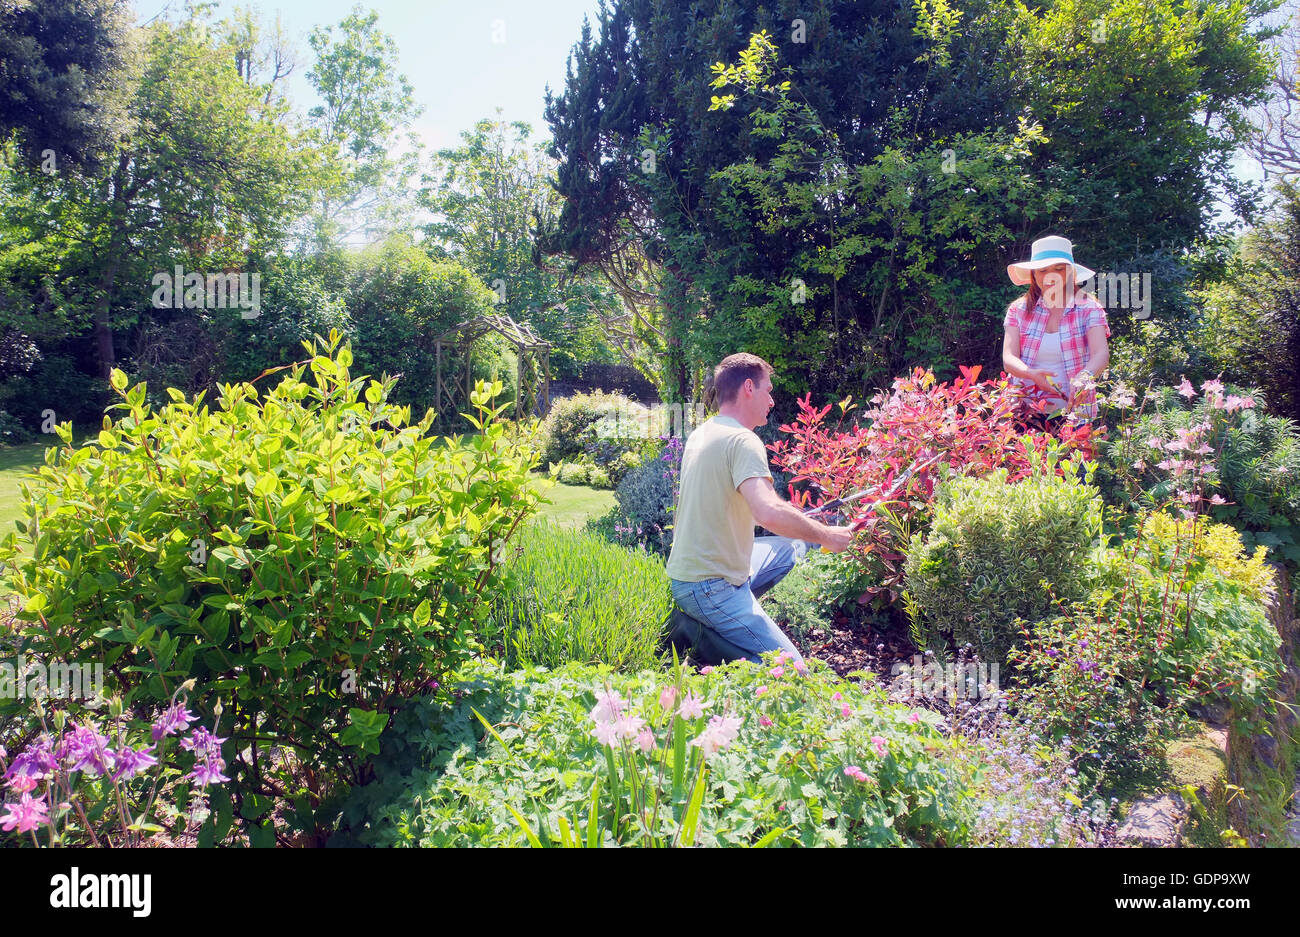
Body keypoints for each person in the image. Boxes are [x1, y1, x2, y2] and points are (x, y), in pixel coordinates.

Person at [664, 353, 853, 665]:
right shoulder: (743, 441)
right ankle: (716, 654)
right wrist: (828, 536)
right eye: (768, 390)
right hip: (710, 588)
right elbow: (767, 513)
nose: (772, 400)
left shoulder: (703, 433)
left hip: (686, 576)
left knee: (788, 548)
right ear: (748, 388)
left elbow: (746, 505)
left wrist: (804, 526)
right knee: (792, 671)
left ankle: (733, 624)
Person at [1001, 235, 1111, 422]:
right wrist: (1030, 374)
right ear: (1034, 275)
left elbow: (1101, 354)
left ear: (1070, 273)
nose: (1050, 276)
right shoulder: (1018, 309)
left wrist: (1083, 379)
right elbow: (1009, 358)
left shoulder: (1089, 308)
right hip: (1025, 410)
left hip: (1075, 410)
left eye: (1059, 269)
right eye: (1043, 270)